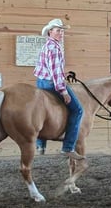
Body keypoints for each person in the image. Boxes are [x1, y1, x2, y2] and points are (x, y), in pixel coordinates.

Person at [33, 18, 85, 159]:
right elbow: (55, 74)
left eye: (62, 31)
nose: (61, 33)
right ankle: (68, 147)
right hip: (51, 84)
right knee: (78, 110)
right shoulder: (55, 48)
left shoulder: (47, 46)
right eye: (58, 30)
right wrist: (63, 91)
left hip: (40, 82)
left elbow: (50, 69)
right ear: (50, 32)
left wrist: (64, 74)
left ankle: (40, 143)